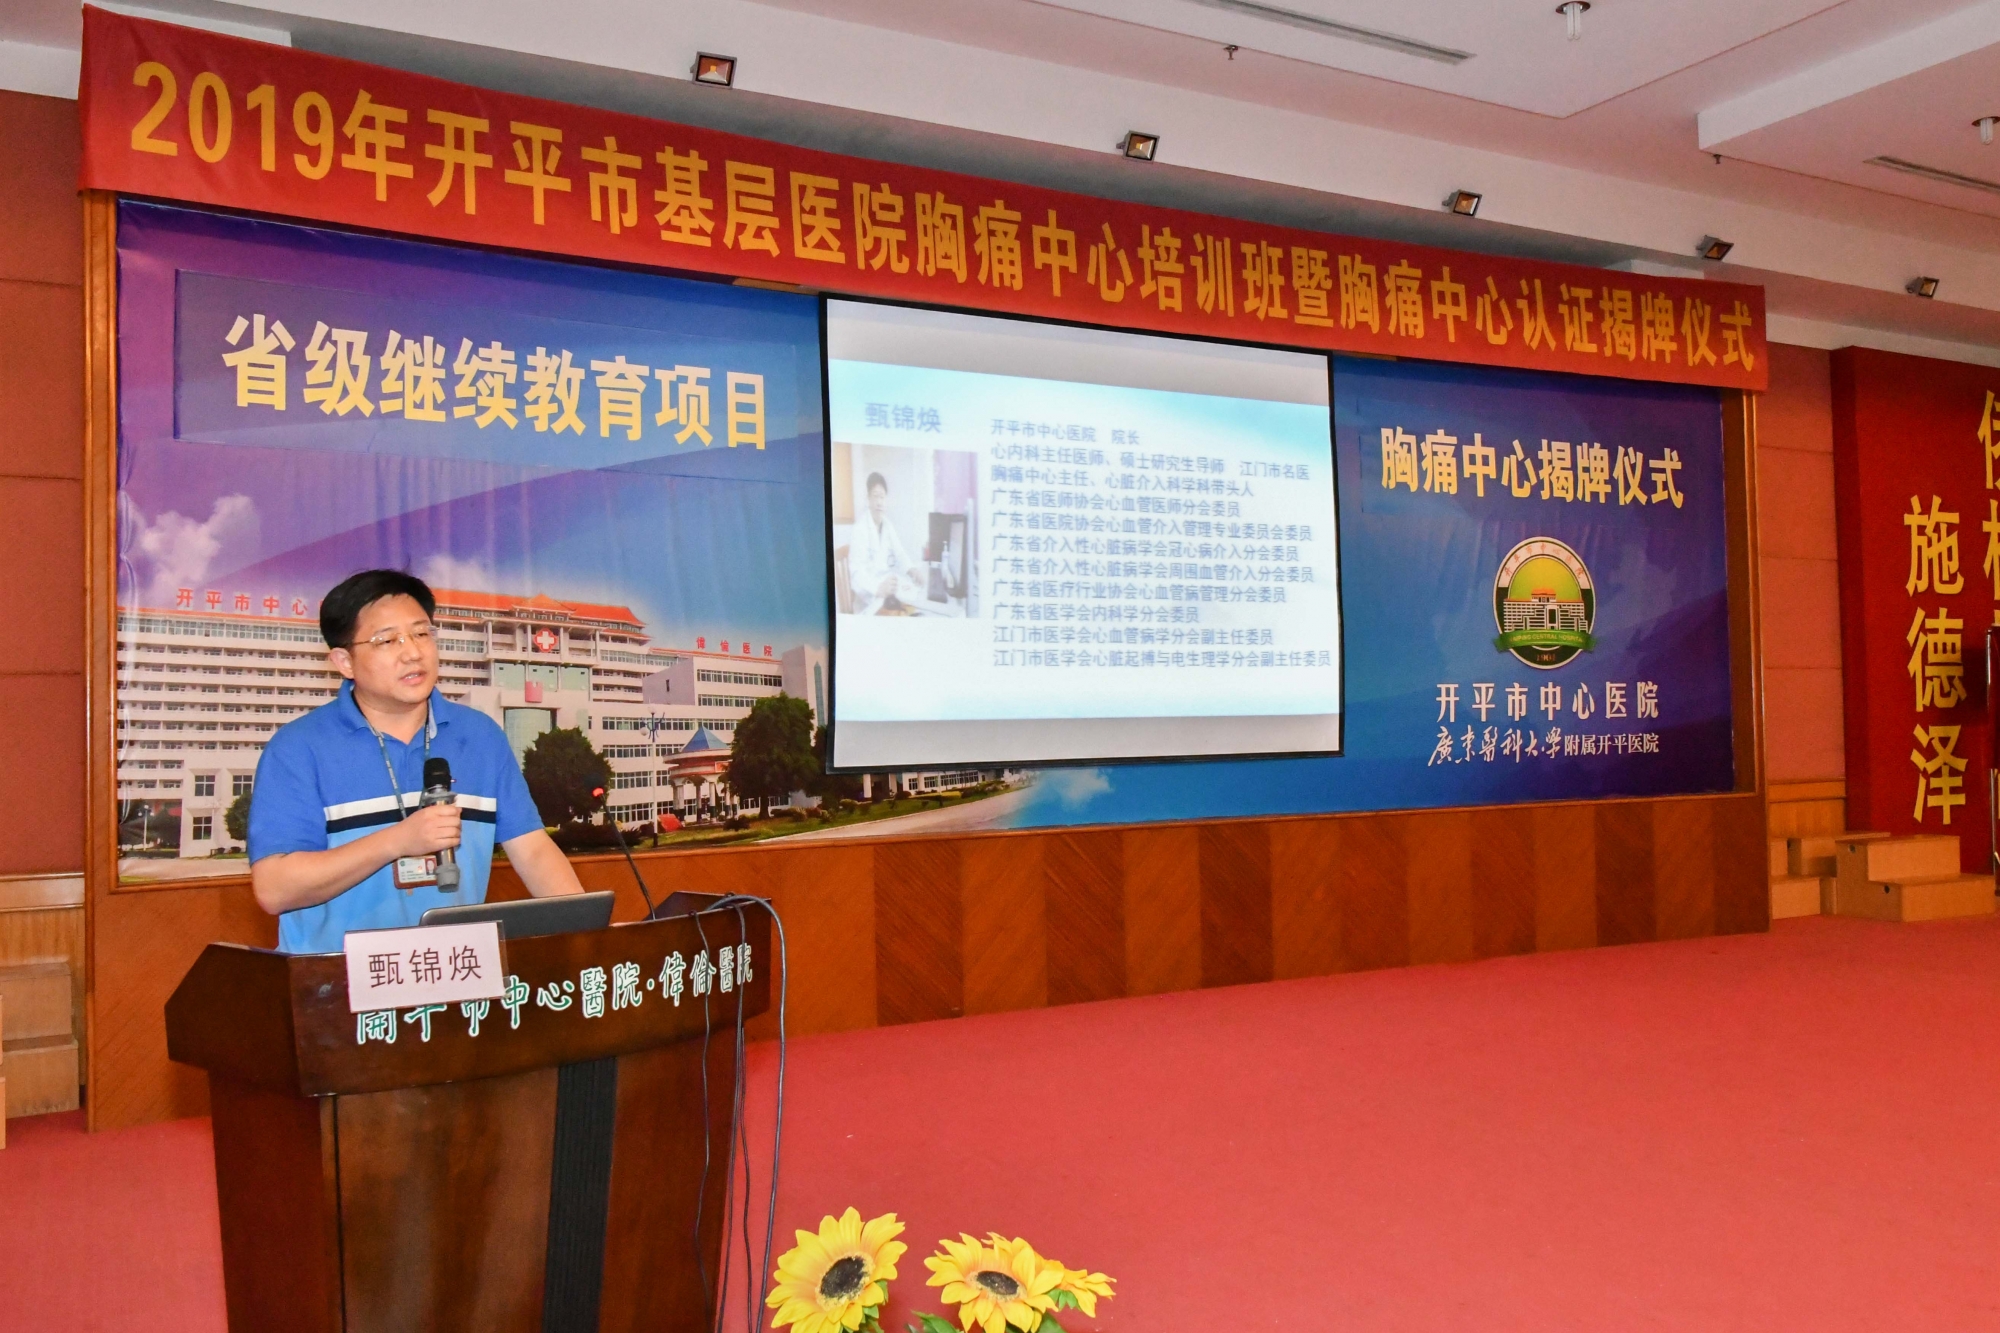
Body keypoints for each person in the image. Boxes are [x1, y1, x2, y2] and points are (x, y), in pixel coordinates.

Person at [248, 569, 583, 953]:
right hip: (337, 980)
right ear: (344, 661)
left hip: (456, 971)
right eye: (387, 640)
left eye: (422, 634)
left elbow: (534, 852)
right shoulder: (298, 749)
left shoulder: (480, 737)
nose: (413, 652)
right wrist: (397, 841)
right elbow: (275, 889)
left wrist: (589, 935)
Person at [848, 470, 922, 614]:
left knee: (913, 606)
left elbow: (900, 553)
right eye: (875, 496)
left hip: (886, 594)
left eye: (882, 497)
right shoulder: (859, 529)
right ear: (868, 499)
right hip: (868, 600)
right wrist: (877, 588)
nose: (879, 502)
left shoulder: (887, 525)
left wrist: (912, 569)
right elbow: (856, 573)